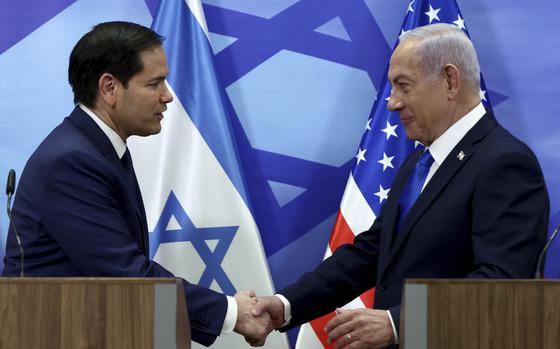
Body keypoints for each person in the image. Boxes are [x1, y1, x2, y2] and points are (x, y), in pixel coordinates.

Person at [252, 23, 549, 348]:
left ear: (450, 80)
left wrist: (398, 322)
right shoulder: (417, 165)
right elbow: (372, 253)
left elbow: (503, 287)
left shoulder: (505, 164)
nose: (392, 103)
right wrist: (285, 305)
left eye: (403, 86)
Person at [2, 21, 271, 347]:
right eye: (154, 83)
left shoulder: (99, 149)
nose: (168, 96)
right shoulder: (72, 162)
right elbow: (125, 275)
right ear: (109, 88)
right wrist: (232, 313)